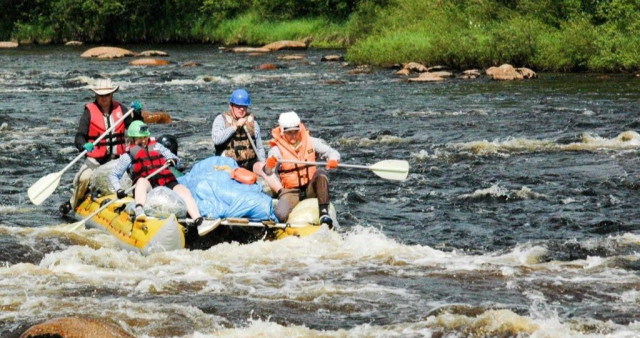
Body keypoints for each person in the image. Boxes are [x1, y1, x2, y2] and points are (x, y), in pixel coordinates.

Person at [59, 78, 144, 215]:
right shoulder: (89, 112)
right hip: (96, 159)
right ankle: (73, 203)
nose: (104, 98)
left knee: (138, 173)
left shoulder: (121, 109)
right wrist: (83, 145)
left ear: (112, 95)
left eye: (107, 95)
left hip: (118, 158)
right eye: (101, 95)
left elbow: (137, 129)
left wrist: (138, 115)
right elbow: (79, 135)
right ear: (96, 95)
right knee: (84, 178)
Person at [108, 121, 202, 225]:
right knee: (141, 181)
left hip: (165, 181)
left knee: (183, 190)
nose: (143, 141)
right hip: (148, 186)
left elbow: (176, 159)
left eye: (145, 137)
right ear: (132, 139)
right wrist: (118, 189)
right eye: (140, 138)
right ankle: (139, 210)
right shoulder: (128, 156)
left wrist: (173, 160)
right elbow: (114, 174)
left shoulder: (158, 146)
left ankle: (198, 220)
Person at [264, 111, 340, 227]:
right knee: (280, 214)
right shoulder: (276, 150)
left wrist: (333, 159)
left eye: (296, 132)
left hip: (310, 187)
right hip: (291, 191)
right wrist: (270, 164)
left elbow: (332, 152)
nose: (293, 136)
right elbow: (267, 171)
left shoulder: (311, 141)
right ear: (283, 132)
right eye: (289, 133)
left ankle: (324, 213)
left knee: (321, 174)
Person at [211, 88, 282, 193]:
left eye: (244, 106)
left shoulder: (253, 123)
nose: (241, 109)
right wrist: (235, 127)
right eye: (238, 106)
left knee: (264, 168)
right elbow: (217, 140)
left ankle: (281, 192)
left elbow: (259, 147)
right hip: (228, 162)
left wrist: (263, 163)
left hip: (249, 162)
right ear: (231, 106)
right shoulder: (221, 119)